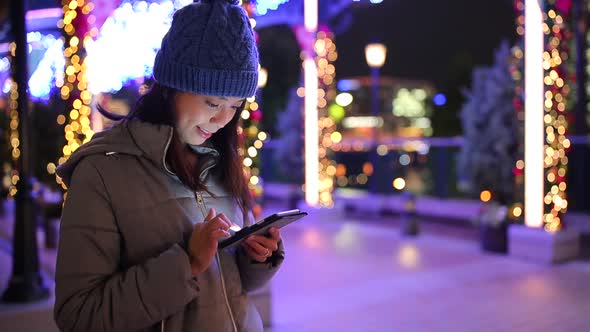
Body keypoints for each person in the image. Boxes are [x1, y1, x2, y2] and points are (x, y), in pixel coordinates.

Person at [53, 0, 284, 331]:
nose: (222, 119)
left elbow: (230, 288)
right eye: (212, 102)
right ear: (170, 88)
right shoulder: (101, 173)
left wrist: (255, 257)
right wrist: (186, 264)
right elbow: (79, 315)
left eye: (234, 105)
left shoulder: (220, 163)